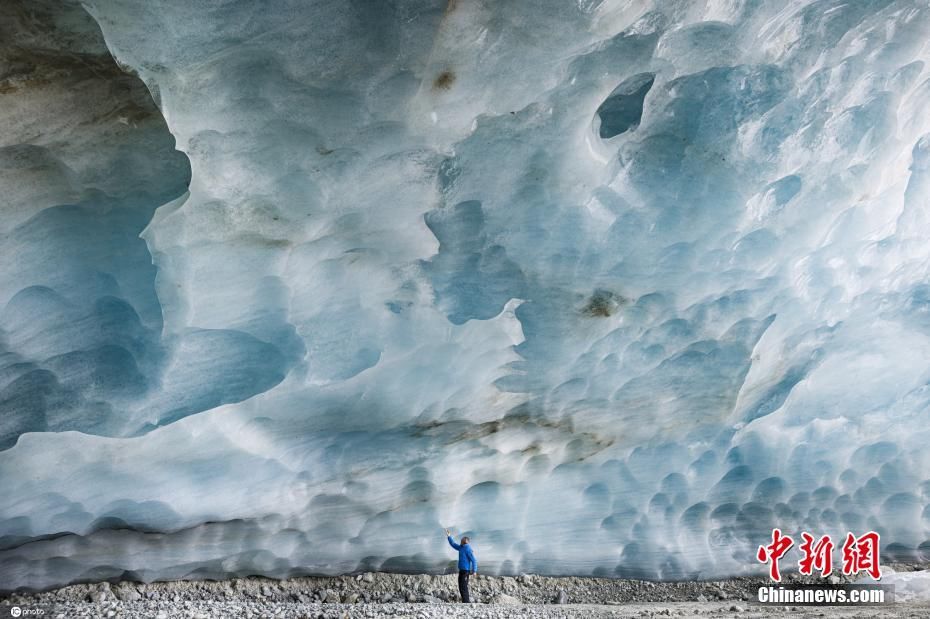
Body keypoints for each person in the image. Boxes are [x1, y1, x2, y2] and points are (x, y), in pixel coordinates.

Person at [444, 528, 477, 602]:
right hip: (461, 570)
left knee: (464, 586)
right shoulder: (461, 547)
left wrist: (474, 571)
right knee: (461, 586)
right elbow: (453, 544)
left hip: (466, 571)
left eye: (461, 541)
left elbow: (474, 560)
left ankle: (466, 602)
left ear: (465, 542)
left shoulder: (468, 549)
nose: (460, 541)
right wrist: (449, 536)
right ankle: (464, 601)